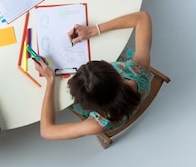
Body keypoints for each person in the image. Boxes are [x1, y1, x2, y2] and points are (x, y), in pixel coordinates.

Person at [34, 11, 153, 140]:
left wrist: (50, 80)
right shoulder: (138, 72)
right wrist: (93, 30)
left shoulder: (97, 125)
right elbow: (142, 17)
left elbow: (47, 131)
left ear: (85, 104)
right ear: (114, 73)